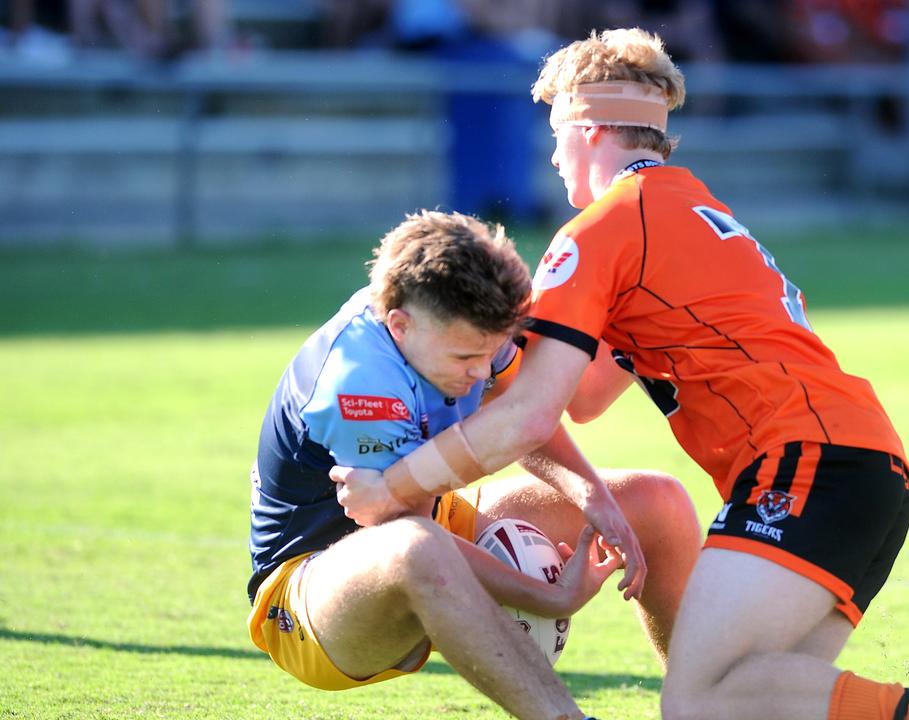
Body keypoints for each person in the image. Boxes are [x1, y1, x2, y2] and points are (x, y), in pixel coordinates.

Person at [332, 29, 909, 720]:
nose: (554, 158)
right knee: (756, 708)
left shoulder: (604, 227)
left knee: (698, 702)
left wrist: (395, 486)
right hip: (864, 470)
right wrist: (496, 340)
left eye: (557, 136)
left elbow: (530, 415)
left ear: (587, 130)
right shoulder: (691, 210)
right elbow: (583, 398)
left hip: (806, 465)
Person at [248, 209, 701, 720]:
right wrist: (548, 596)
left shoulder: (461, 324)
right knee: (414, 547)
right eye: (466, 358)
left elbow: (519, 418)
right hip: (311, 601)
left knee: (656, 502)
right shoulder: (359, 383)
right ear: (399, 325)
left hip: (436, 521)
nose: (482, 371)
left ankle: (705, 707)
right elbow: (410, 535)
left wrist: (594, 499)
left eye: (491, 353)